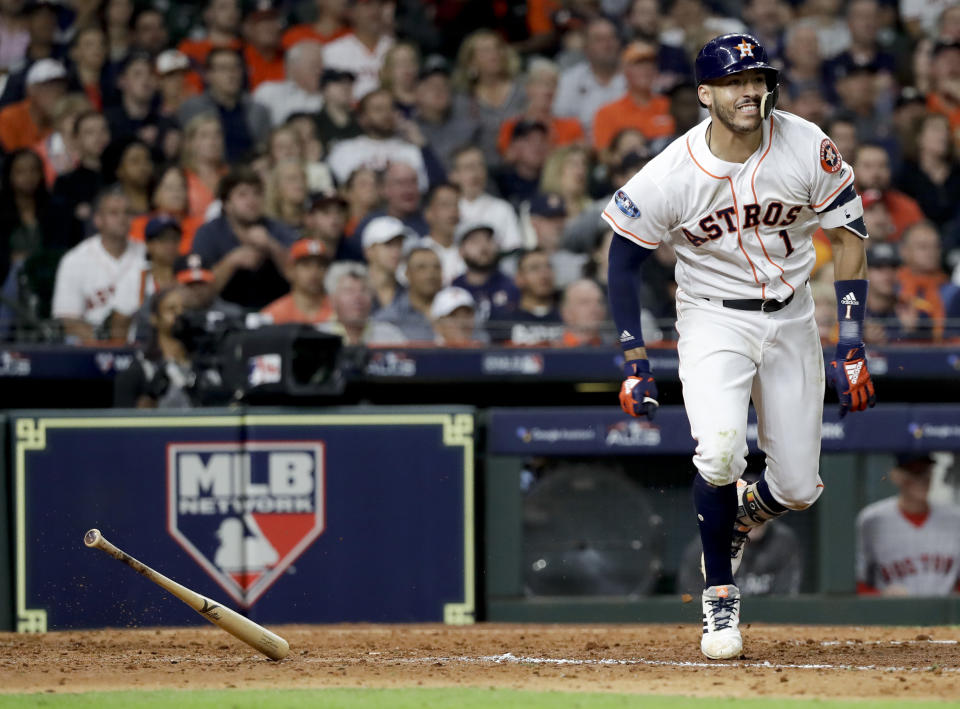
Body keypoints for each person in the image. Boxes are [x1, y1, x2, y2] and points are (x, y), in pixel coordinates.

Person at [603, 34, 876, 660]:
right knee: (721, 451)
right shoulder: (672, 171)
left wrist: (852, 342)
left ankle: (740, 518)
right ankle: (720, 596)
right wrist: (633, 359)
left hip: (794, 316)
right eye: (734, 82)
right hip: (713, 321)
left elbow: (851, 237)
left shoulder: (808, 144)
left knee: (800, 489)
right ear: (705, 95)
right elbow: (622, 258)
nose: (750, 90)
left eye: (757, 78)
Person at [190, 167, 298, 310]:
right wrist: (231, 262)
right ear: (226, 204)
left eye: (257, 193)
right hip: (224, 313)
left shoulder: (277, 229)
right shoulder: (208, 233)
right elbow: (199, 293)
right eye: (242, 195)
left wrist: (272, 246)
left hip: (275, 311)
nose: (251, 200)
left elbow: (300, 278)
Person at [51, 185, 146, 341]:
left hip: (140, 343)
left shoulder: (147, 255)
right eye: (114, 213)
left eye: (127, 213)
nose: (122, 218)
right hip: (91, 346)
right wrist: (105, 344)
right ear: (98, 220)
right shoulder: (74, 260)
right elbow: (68, 320)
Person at [857, 454, 960, 596]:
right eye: (915, 472)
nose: (923, 478)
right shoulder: (872, 519)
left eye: (927, 471)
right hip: (895, 614)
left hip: (945, 615)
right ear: (896, 475)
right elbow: (859, 583)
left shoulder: (955, 518)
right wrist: (880, 596)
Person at [177, 47, 271, 163]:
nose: (231, 74)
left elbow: (264, 151)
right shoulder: (192, 109)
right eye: (223, 68)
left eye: (236, 68)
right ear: (208, 74)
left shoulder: (259, 110)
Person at [326, 88, 430, 192]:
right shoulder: (344, 150)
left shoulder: (411, 150)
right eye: (378, 109)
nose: (386, 114)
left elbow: (424, 187)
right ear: (362, 119)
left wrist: (419, 141)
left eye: (390, 108)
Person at [113, 284, 199, 408]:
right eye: (171, 309)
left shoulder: (201, 363)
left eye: (185, 308)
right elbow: (121, 422)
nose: (180, 314)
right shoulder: (139, 370)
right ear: (154, 318)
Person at [592, 40, 675, 152]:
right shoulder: (607, 113)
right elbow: (604, 155)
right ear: (624, 70)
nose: (646, 69)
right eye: (638, 64)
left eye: (650, 63)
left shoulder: (670, 106)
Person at [553, 17, 625, 140]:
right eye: (599, 40)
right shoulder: (570, 80)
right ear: (586, 47)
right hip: (583, 147)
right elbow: (561, 118)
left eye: (611, 38)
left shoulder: (634, 77)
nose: (607, 45)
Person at [449, 144, 523, 252]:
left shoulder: (502, 209)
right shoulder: (447, 211)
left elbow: (513, 250)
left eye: (480, 165)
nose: (476, 173)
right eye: (469, 167)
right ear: (454, 175)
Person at [318, 261, 406, 346]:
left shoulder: (390, 336)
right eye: (349, 291)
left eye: (363, 290)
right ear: (332, 299)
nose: (357, 297)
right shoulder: (318, 336)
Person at [488, 248, 562, 345]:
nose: (544, 274)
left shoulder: (567, 317)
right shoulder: (502, 321)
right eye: (534, 268)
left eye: (548, 267)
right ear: (519, 278)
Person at [322, 0, 394, 100]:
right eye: (367, 5)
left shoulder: (396, 48)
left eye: (380, 5)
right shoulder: (333, 51)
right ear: (352, 11)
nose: (375, 11)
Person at [372, 241, 442, 342]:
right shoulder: (390, 317)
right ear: (407, 273)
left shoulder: (458, 310)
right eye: (421, 268)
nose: (430, 274)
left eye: (436, 267)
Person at [451, 221, 519, 322]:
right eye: (475, 241)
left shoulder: (512, 286)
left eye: (488, 240)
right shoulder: (454, 289)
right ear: (461, 251)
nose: (484, 246)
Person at [0, 58, 67, 152]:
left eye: (61, 88)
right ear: (31, 90)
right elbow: (13, 159)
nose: (56, 93)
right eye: (48, 87)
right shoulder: (9, 117)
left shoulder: (66, 120)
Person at [253, 40, 325, 127]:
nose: (320, 71)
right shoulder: (268, 92)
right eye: (314, 65)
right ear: (294, 67)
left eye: (322, 66)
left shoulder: (329, 98)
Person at [261, 238, 333, 324]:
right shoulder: (273, 315)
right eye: (306, 265)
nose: (314, 271)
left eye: (321, 265)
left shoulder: (339, 310)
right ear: (290, 270)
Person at [362, 215, 406, 311]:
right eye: (388, 244)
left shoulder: (409, 294)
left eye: (399, 244)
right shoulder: (355, 292)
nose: (396, 251)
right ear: (369, 251)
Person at [422, 182, 463, 284]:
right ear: (428, 213)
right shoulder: (418, 251)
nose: (453, 211)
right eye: (445, 205)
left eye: (456, 205)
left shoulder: (469, 251)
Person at [314, 67, 361, 148]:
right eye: (338, 82)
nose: (346, 87)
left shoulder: (363, 121)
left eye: (350, 83)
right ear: (324, 89)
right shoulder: (313, 124)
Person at [558, 278, 608, 346]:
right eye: (585, 302)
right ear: (566, 312)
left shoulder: (618, 349)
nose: (594, 309)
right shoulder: (549, 350)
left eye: (599, 302)